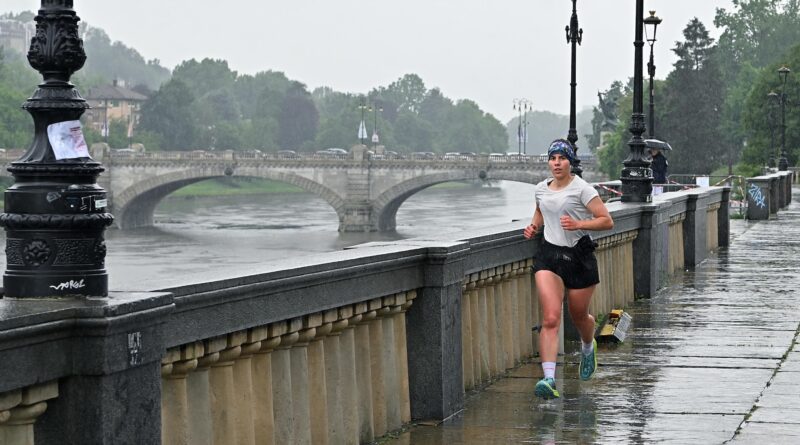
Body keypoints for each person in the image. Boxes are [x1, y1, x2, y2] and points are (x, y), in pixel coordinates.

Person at [523, 139, 614, 400]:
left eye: (562, 158)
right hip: (549, 256)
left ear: (570, 161)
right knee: (551, 318)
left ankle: (588, 346)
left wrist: (578, 224)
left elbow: (607, 221)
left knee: (579, 316)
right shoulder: (541, 188)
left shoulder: (582, 189)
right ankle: (549, 379)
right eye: (553, 159)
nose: (557, 163)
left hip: (578, 257)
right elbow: (541, 210)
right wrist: (533, 227)